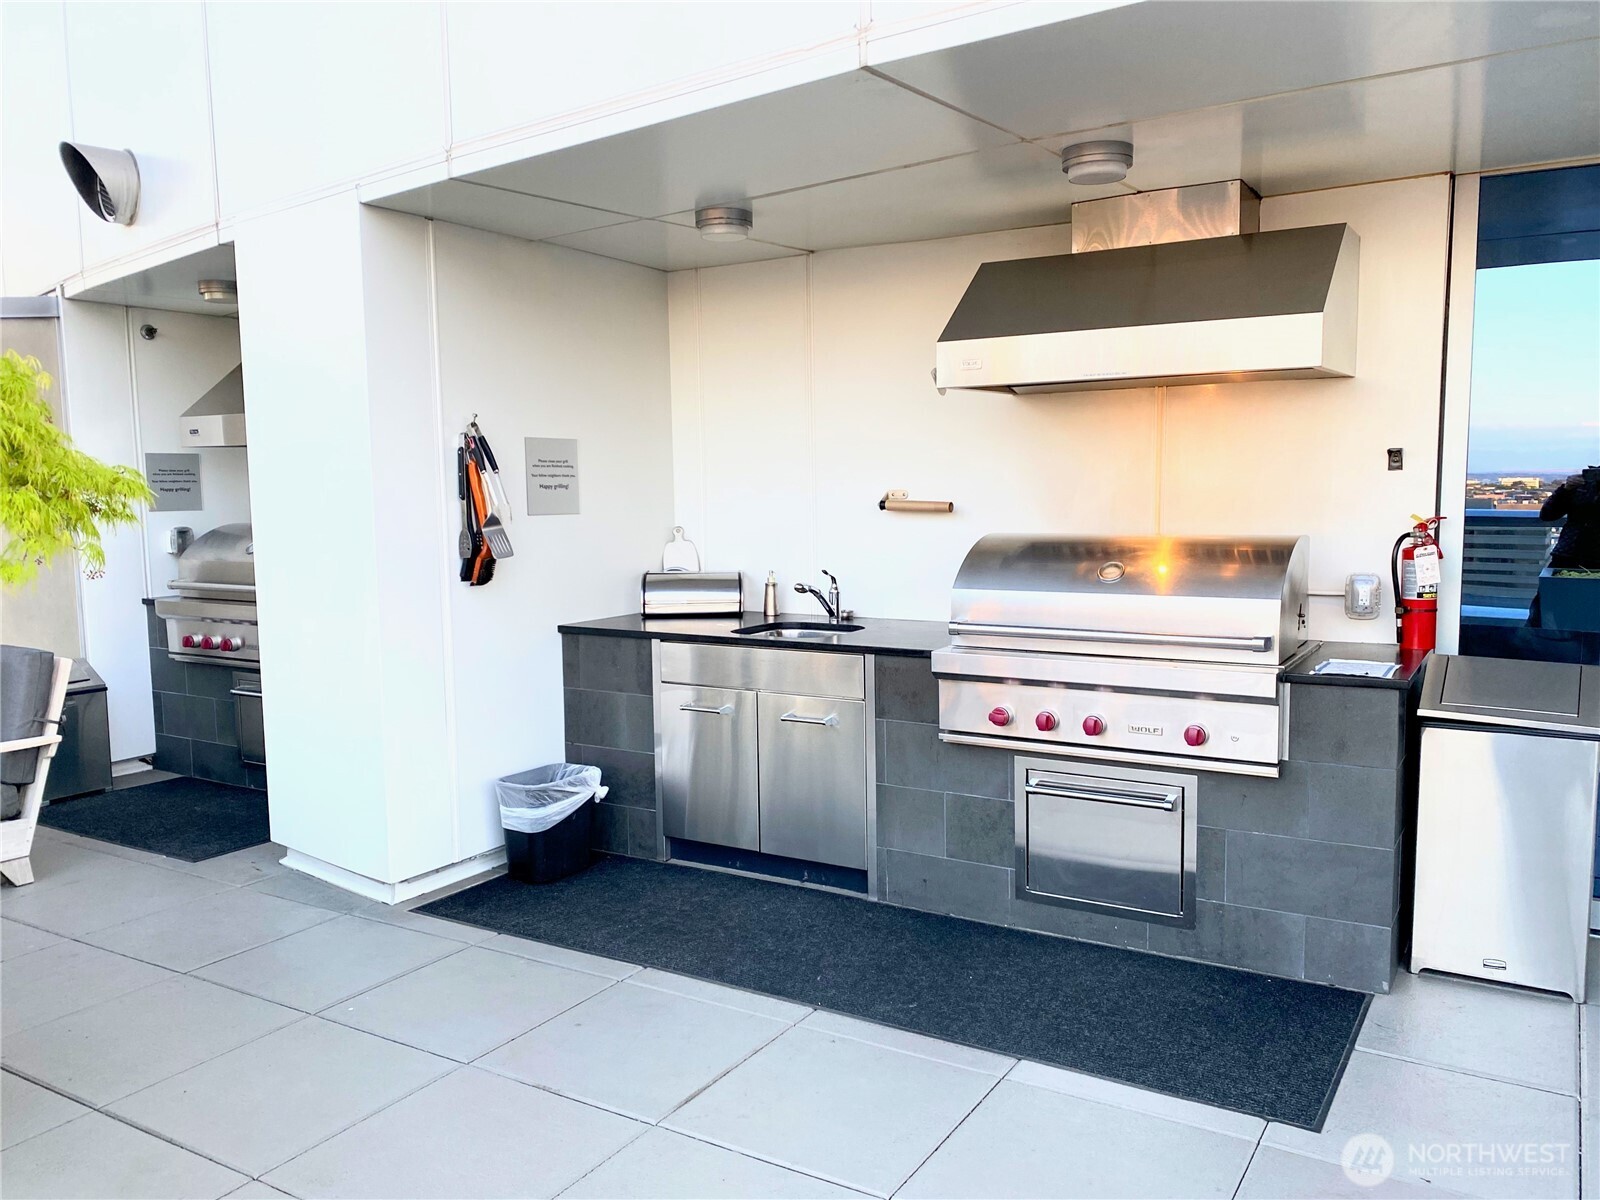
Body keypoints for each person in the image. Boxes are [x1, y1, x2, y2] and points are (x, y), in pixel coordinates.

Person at [1541, 465, 1600, 570]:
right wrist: (1566, 489)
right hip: (1569, 555)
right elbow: (1547, 514)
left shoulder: (1586, 484)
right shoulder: (1584, 483)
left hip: (1569, 551)